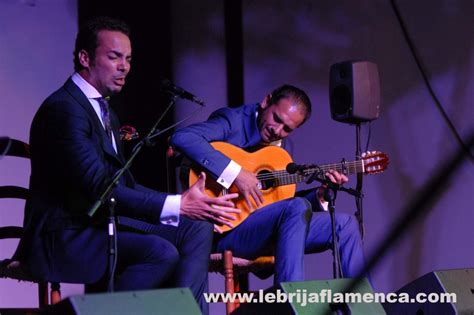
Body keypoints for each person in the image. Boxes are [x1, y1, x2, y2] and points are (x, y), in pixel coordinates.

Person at [13, 16, 238, 314]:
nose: (124, 67)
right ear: (84, 57)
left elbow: (124, 184)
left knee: (195, 228)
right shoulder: (64, 110)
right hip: (65, 232)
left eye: (128, 59)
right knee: (160, 252)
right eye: (114, 57)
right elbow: (100, 188)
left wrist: (181, 205)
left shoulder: (104, 109)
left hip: (101, 222)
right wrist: (175, 204)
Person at [170, 84, 367, 283]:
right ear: (266, 101)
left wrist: (320, 196)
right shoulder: (234, 121)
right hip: (224, 231)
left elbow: (279, 203)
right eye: (277, 119)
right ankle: (288, 302)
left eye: (287, 129)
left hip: (263, 227)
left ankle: (365, 306)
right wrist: (236, 173)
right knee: (296, 207)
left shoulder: (280, 151)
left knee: (346, 225)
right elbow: (183, 137)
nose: (277, 130)